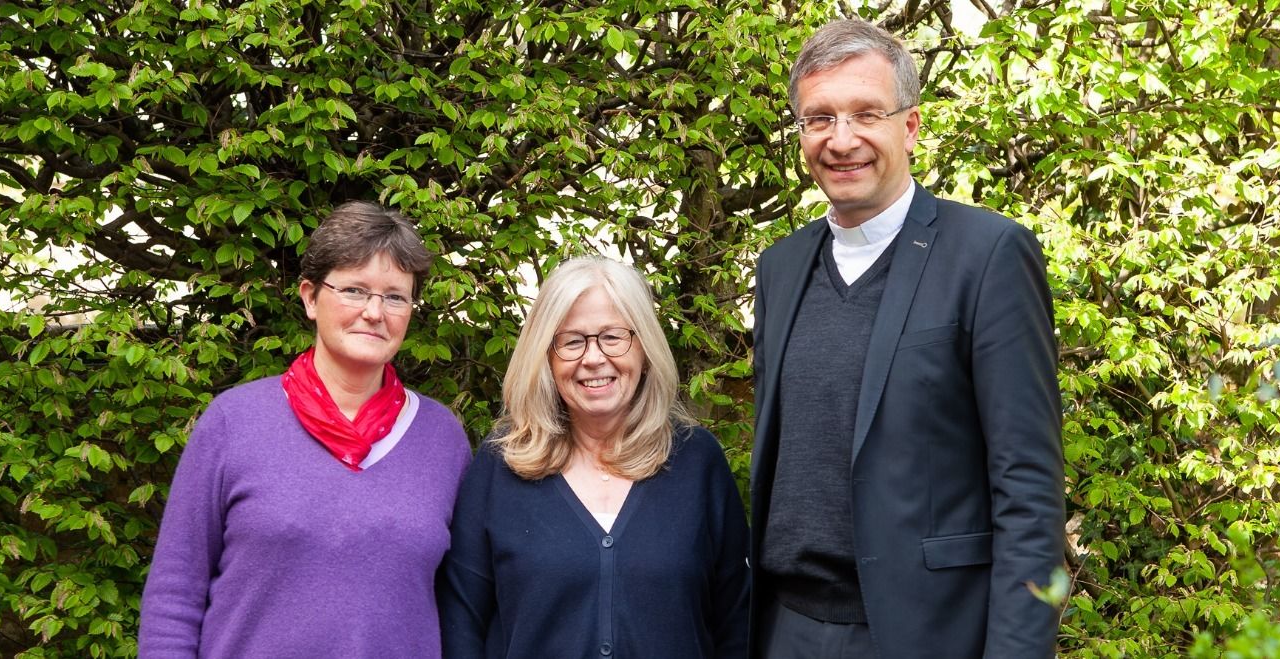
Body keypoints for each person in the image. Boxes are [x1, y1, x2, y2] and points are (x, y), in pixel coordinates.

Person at [749, 18, 1068, 659]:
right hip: (786, 631)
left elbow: (1030, 495)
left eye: (866, 114)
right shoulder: (781, 269)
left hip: (928, 635)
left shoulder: (988, 256)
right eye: (819, 119)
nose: (842, 140)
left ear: (911, 126)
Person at [139, 201, 472, 658]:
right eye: (354, 290)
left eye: (395, 296)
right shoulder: (233, 422)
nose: (375, 312)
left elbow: (464, 608)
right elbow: (175, 594)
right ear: (310, 297)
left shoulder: (442, 438)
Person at [437, 256, 750, 659]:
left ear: (645, 347)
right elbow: (461, 622)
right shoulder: (501, 466)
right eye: (571, 341)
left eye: (613, 336)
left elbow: (735, 622)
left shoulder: (697, 461)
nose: (593, 358)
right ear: (545, 357)